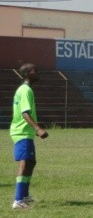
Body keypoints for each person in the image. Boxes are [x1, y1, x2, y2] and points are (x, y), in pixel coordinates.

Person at [10, 63, 49, 209]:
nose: (37, 72)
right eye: (34, 70)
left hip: (25, 131)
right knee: (25, 162)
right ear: (26, 74)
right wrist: (37, 128)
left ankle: (24, 195)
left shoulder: (24, 89)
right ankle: (18, 200)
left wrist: (36, 126)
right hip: (22, 132)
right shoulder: (26, 90)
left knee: (31, 162)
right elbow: (25, 113)